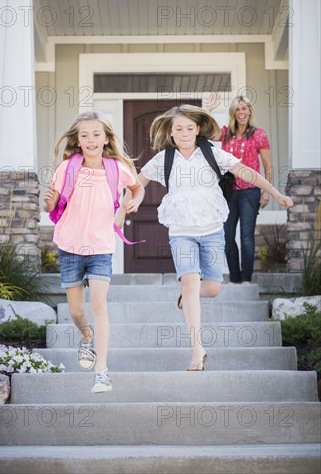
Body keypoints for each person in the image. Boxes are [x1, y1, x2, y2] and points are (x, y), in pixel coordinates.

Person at [117, 104, 293, 372]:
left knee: (211, 289)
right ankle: (197, 350)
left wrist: (276, 193)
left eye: (190, 128)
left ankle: (186, 297)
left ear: (198, 129)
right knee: (190, 283)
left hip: (211, 231)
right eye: (179, 129)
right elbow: (136, 185)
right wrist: (125, 208)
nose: (185, 133)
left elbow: (247, 172)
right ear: (171, 132)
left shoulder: (212, 154)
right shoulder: (163, 159)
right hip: (181, 233)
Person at [43, 111, 144, 393]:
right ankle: (86, 334)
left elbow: (137, 188)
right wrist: (47, 203)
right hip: (70, 246)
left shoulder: (116, 168)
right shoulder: (67, 168)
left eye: (96, 134)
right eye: (84, 135)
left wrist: (132, 203)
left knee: (99, 305)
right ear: (77, 139)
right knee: (76, 312)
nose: (90, 139)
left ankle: (102, 372)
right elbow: (50, 207)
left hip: (100, 247)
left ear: (106, 138)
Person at [218, 95, 272, 283]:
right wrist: (209, 109)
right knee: (227, 236)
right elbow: (204, 131)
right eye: (238, 109)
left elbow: (267, 165)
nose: (241, 112)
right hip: (229, 192)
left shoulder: (259, 135)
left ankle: (246, 279)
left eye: (244, 108)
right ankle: (234, 279)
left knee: (247, 237)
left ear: (249, 111)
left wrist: (266, 191)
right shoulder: (225, 134)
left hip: (250, 191)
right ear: (233, 112)